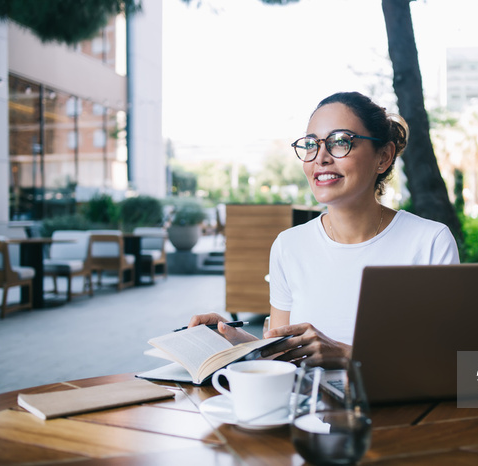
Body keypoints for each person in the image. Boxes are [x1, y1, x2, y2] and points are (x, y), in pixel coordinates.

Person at [187, 91, 459, 364]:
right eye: (311, 144)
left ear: (384, 157)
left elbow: (445, 361)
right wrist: (233, 339)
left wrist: (348, 356)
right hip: (308, 404)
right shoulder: (288, 245)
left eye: (340, 142)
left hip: (397, 406)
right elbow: (284, 351)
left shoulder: (429, 241)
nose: (321, 158)